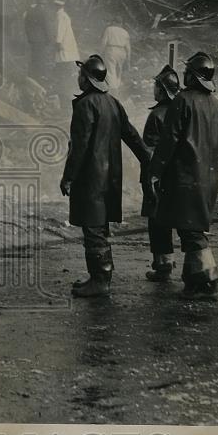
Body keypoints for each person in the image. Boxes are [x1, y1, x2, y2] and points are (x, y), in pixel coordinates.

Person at [61, 54, 151, 298]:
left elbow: (79, 147)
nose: (78, 78)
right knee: (98, 227)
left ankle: (101, 280)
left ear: (88, 79)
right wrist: (148, 158)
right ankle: (99, 277)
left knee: (93, 229)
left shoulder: (85, 105)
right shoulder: (112, 102)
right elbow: (131, 135)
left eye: (81, 75)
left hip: (91, 178)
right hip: (109, 177)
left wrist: (68, 177)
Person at [144, 52, 218, 300]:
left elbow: (169, 140)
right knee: (192, 228)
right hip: (208, 177)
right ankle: (195, 280)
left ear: (193, 76)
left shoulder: (183, 101)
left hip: (184, 176)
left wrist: (155, 172)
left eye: (187, 72)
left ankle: (207, 279)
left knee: (191, 233)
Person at [141, 64, 180, 281]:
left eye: (156, 86)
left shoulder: (156, 115)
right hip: (179, 176)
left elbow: (150, 151)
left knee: (157, 221)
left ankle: (163, 264)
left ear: (162, 90)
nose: (153, 90)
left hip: (158, 175)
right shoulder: (183, 110)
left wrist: (149, 178)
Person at [52, 0, 79, 106]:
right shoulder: (64, 15)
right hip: (67, 43)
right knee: (65, 60)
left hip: (64, 43)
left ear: (58, 6)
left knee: (64, 60)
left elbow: (60, 29)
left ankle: (64, 81)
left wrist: (58, 42)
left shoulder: (60, 16)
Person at [23, 0, 52, 85]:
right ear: (42, 4)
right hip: (41, 40)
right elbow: (46, 27)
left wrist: (29, 36)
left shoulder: (30, 12)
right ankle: (39, 76)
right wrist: (48, 39)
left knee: (33, 56)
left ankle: (31, 74)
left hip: (32, 39)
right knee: (40, 58)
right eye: (44, 4)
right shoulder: (43, 12)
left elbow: (26, 25)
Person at [99, 23, 131, 90]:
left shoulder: (109, 29)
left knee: (111, 70)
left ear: (114, 22)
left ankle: (113, 89)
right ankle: (118, 86)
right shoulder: (125, 32)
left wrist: (101, 52)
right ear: (121, 24)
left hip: (111, 49)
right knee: (119, 70)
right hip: (122, 51)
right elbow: (128, 47)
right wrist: (128, 58)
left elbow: (104, 42)